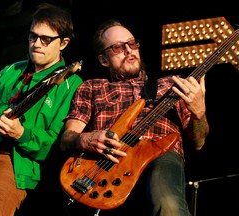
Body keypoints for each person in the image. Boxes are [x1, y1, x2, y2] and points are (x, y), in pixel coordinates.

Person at [60, 19, 209, 216]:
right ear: (104, 60)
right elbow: (67, 139)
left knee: (168, 205)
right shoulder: (92, 87)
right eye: (118, 47)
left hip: (160, 154)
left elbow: (198, 142)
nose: (129, 51)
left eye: (131, 44)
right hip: (106, 163)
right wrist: (87, 139)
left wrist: (199, 112)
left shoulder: (171, 85)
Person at [0, 3, 83, 216]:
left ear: (64, 43)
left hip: (11, 164)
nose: (36, 44)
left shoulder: (72, 85)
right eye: (32, 36)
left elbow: (59, 143)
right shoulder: (10, 70)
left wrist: (21, 134)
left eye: (45, 39)